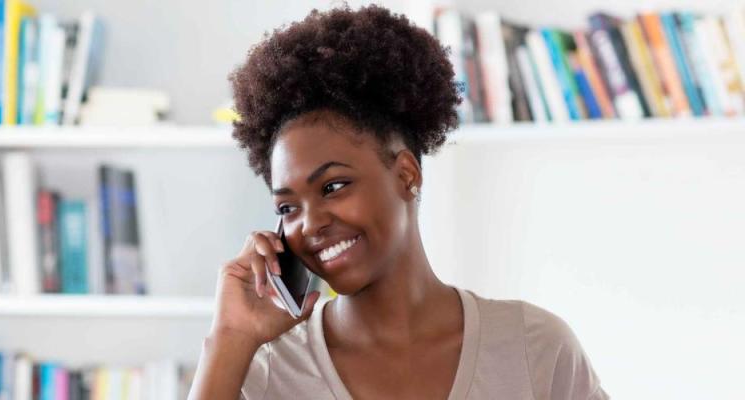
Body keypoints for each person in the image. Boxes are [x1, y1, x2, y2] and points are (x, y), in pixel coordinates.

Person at [188, 5, 608, 400]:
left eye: (333, 187)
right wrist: (229, 337)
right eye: (287, 208)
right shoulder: (267, 371)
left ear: (406, 174)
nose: (310, 224)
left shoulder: (533, 348)